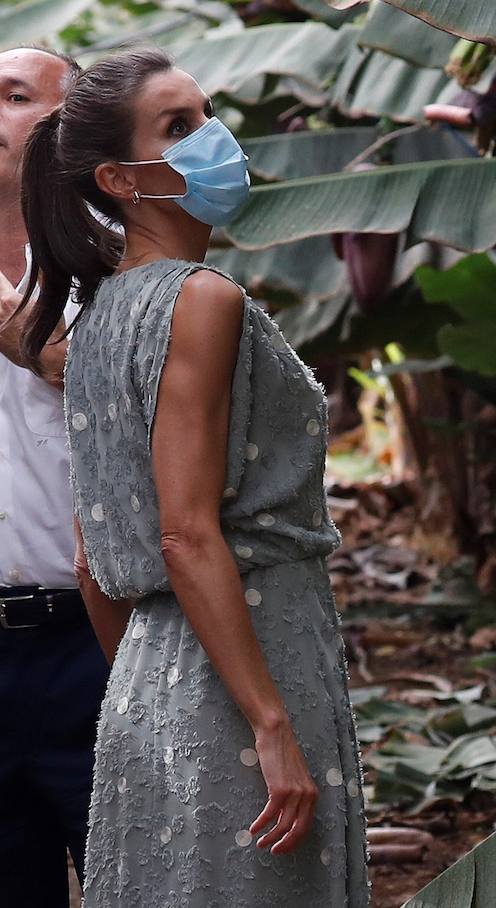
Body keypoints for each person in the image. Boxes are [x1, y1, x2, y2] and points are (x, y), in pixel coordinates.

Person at [11, 46, 369, 905]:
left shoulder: (94, 317)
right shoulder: (199, 300)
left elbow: (94, 554)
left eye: (205, 115)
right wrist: (270, 722)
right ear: (120, 179)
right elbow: (184, 532)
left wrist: (144, 688)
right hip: (254, 665)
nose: (213, 138)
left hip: (147, 680)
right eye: (179, 127)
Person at [0, 44, 110, 906]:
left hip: (100, 641)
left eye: (11, 95)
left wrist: (38, 352)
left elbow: (173, 419)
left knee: (133, 876)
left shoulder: (121, 272)